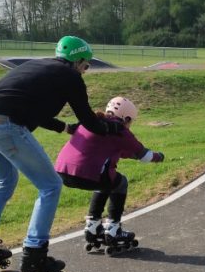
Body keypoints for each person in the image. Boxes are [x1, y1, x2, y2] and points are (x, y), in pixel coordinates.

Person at [0, 35, 124, 272]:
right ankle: (35, 253)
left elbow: (31, 108)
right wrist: (113, 128)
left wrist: (64, 128)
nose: (86, 70)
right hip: (2, 123)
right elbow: (89, 120)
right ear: (78, 60)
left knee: (5, 180)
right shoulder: (71, 77)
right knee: (50, 186)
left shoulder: (36, 66)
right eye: (87, 65)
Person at [55, 97, 164, 252]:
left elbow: (123, 152)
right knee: (120, 182)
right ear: (126, 118)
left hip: (61, 171)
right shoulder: (120, 130)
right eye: (130, 121)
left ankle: (92, 227)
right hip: (87, 175)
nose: (129, 125)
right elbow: (144, 156)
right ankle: (113, 229)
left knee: (106, 180)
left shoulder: (92, 121)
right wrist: (159, 157)